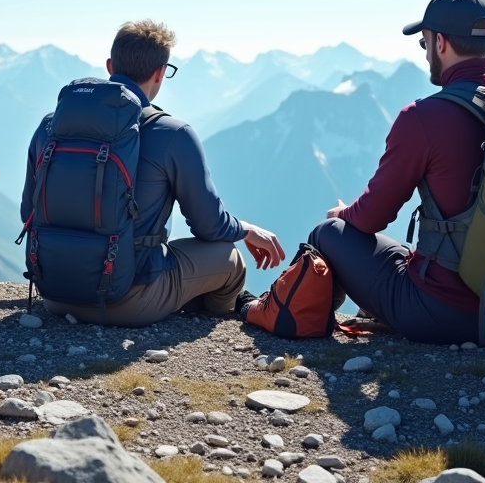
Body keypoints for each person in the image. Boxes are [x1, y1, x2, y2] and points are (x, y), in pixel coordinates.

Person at [306, 0, 485, 345]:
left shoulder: (423, 117)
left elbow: (370, 218)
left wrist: (342, 213)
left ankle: (306, 326)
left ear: (440, 42)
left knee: (327, 234)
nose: (426, 52)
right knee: (405, 255)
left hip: (443, 314)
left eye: (424, 43)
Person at [21, 20, 286, 327]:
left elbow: (28, 211)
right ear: (160, 72)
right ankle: (206, 320)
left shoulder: (50, 127)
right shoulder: (173, 133)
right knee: (230, 260)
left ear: (110, 67)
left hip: (54, 294)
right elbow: (209, 227)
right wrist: (247, 229)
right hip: (127, 301)